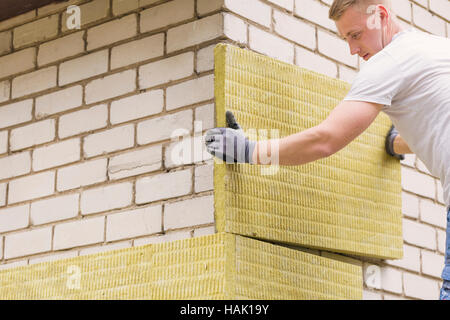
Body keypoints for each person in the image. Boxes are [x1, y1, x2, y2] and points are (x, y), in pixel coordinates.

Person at [204, 0, 450, 300]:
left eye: (356, 34)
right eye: (346, 38)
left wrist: (249, 151)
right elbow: (435, 123)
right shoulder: (438, 48)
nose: (352, 50)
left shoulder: (390, 62)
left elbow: (326, 139)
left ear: (381, 15)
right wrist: (396, 144)